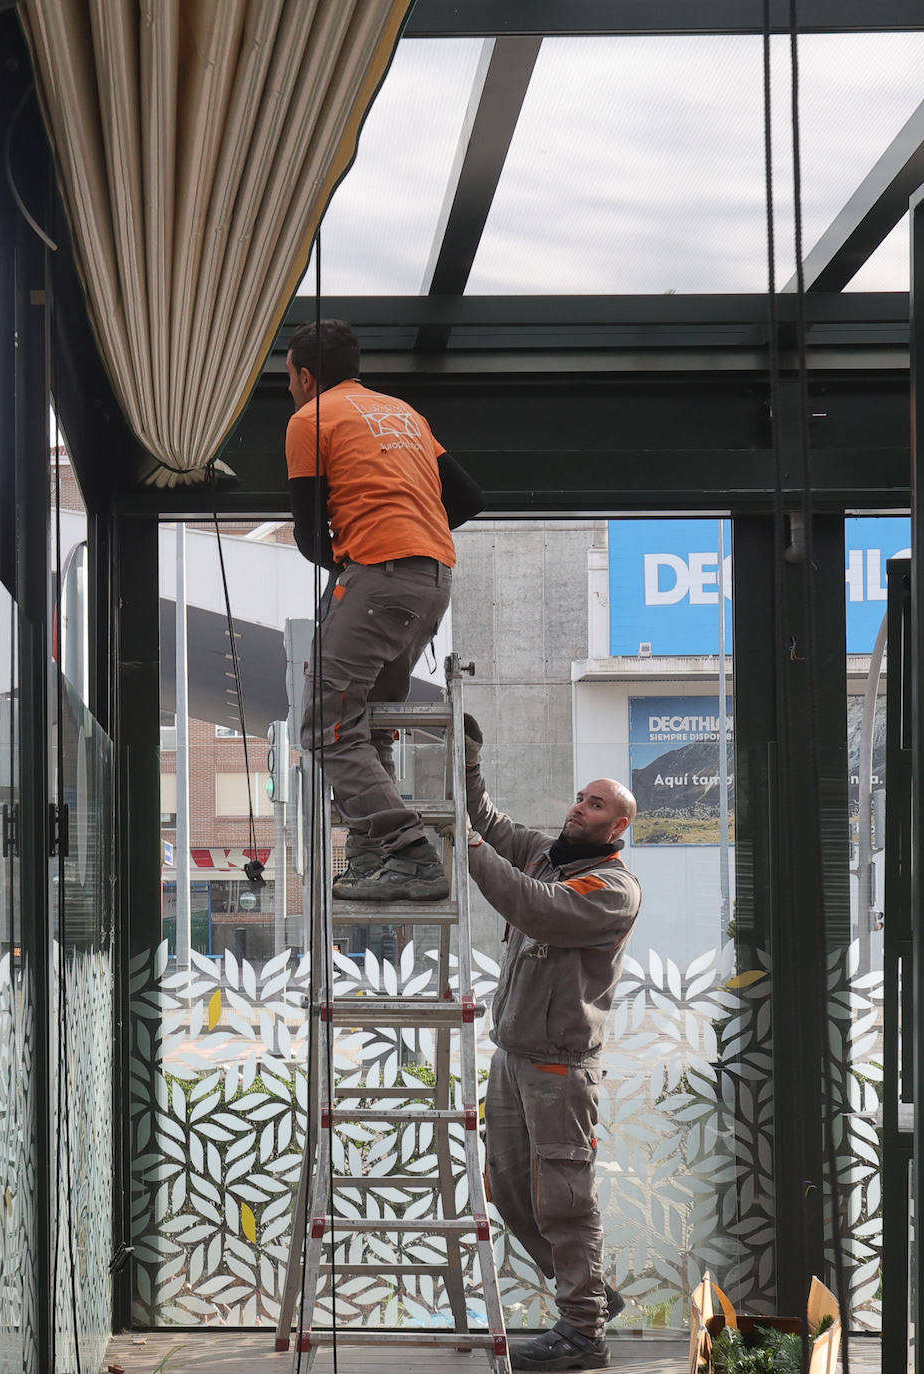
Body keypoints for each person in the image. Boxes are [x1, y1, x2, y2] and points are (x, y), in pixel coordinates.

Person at [453, 715, 641, 1372]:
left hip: (560, 1068)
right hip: (514, 1057)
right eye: (581, 798)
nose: (579, 808)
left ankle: (583, 1331)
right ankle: (588, 1295)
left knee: (564, 1198)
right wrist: (468, 761)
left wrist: (467, 847)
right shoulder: (547, 853)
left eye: (595, 805)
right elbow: (490, 820)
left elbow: (534, 909)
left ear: (617, 828)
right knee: (508, 1190)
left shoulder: (612, 890)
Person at [285, 318, 483, 901]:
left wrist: (368, 558)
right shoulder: (404, 414)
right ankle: (371, 856)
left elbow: (305, 533)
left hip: (381, 579)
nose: (291, 389)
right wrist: (407, 529)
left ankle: (408, 851)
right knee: (371, 720)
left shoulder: (309, 419)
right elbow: (469, 497)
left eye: (290, 379)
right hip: (433, 579)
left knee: (324, 725)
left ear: (305, 375)